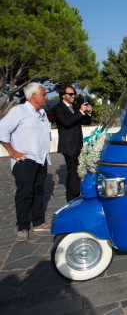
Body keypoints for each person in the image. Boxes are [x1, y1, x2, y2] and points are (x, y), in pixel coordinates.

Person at [0, 83, 52, 241]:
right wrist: (11, 151)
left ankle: (38, 222)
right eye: (43, 94)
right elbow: (2, 130)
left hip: (40, 158)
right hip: (25, 160)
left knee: (38, 191)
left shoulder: (41, 113)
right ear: (34, 96)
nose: (46, 97)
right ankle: (22, 227)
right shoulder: (19, 111)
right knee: (24, 194)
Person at [52, 85, 92, 202]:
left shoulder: (74, 108)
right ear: (63, 95)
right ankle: (72, 198)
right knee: (73, 172)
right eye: (71, 94)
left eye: (74, 93)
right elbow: (66, 122)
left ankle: (76, 194)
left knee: (78, 172)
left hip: (78, 144)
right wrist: (80, 111)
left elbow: (85, 121)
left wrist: (88, 113)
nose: (73, 96)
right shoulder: (58, 108)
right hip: (68, 145)